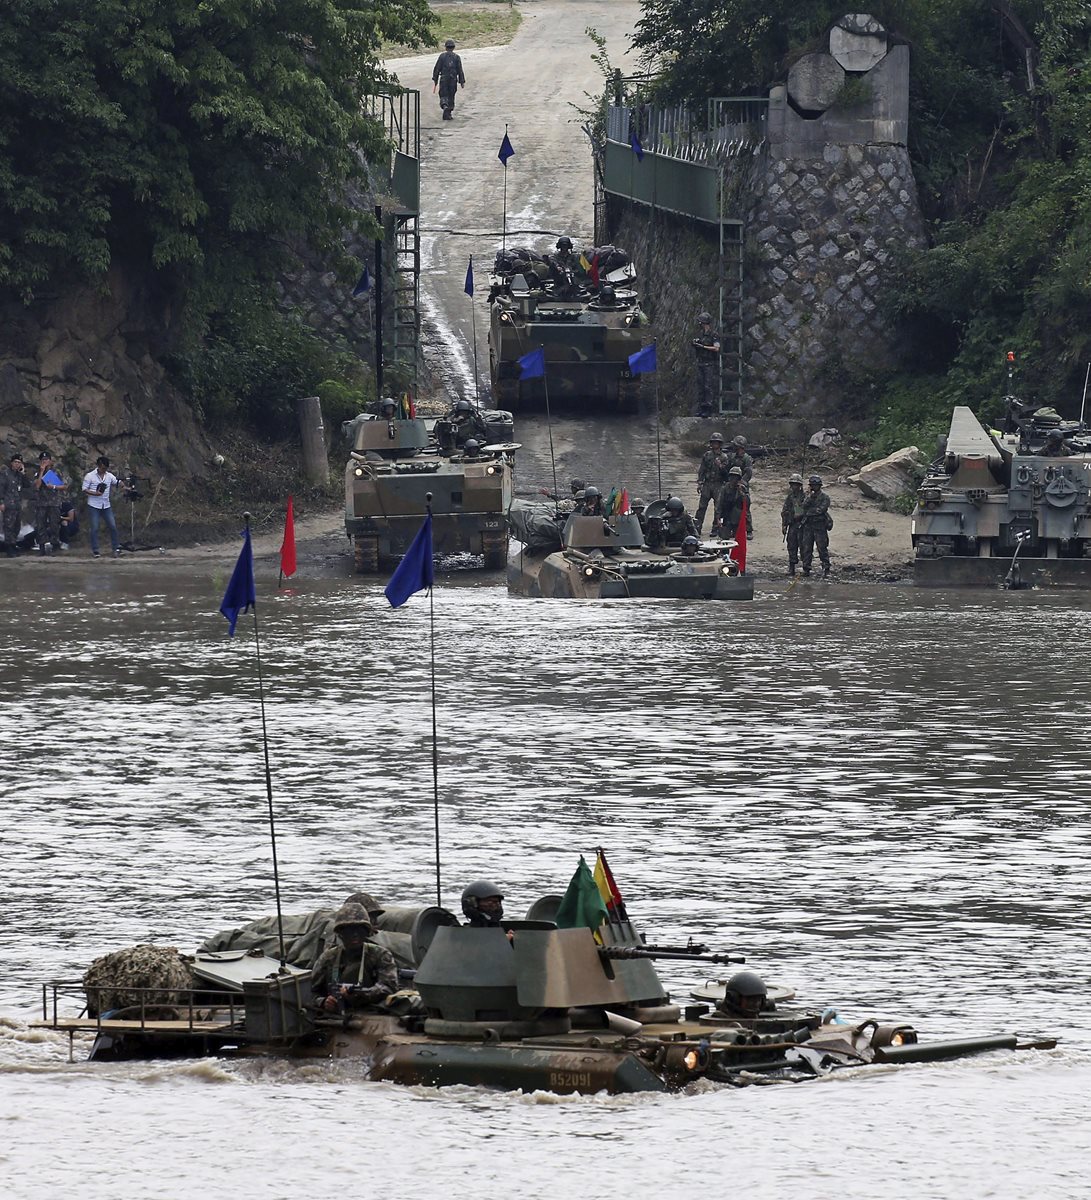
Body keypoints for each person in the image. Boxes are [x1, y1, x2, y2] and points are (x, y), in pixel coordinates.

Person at [309, 902, 398, 1012]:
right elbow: (310, 992)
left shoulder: (380, 955)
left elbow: (389, 987)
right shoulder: (329, 957)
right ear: (340, 933)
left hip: (373, 1013)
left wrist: (360, 994)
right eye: (349, 930)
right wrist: (323, 1002)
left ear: (366, 931)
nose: (355, 934)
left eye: (359, 929)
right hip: (336, 1017)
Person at [82, 456, 128, 558]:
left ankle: (115, 548)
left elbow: (118, 482)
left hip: (106, 505)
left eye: (106, 468)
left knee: (113, 526)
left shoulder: (109, 476)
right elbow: (84, 489)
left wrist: (123, 486)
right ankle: (95, 550)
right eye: (103, 468)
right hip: (94, 505)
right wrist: (95, 493)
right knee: (94, 528)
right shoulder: (90, 476)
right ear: (98, 466)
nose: (104, 470)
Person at [695, 433, 729, 534]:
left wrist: (721, 466)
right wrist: (700, 482)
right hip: (707, 484)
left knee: (718, 508)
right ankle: (697, 527)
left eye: (716, 442)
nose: (714, 444)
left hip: (718, 484)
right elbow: (702, 469)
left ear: (720, 444)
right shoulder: (707, 455)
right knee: (702, 507)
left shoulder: (724, 457)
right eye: (713, 442)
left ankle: (715, 528)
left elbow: (726, 474)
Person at [33, 450, 65, 554]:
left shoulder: (56, 472)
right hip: (41, 503)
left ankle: (54, 545)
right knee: (40, 525)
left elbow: (64, 486)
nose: (45, 462)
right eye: (43, 460)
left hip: (54, 502)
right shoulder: (37, 473)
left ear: (50, 461)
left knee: (54, 525)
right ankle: (42, 546)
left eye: (47, 460)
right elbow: (37, 486)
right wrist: (41, 472)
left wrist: (54, 486)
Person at [800, 474, 832, 578]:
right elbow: (802, 507)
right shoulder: (808, 497)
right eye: (812, 485)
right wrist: (809, 498)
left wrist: (809, 512)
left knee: (822, 548)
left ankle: (826, 568)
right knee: (807, 548)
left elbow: (820, 510)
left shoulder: (825, 497)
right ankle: (806, 568)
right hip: (808, 526)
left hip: (820, 526)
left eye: (816, 485)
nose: (814, 487)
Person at [693, 312, 721, 417]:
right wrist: (696, 344)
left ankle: (708, 409)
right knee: (701, 386)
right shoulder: (701, 334)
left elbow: (716, 348)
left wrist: (703, 347)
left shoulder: (714, 335)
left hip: (709, 364)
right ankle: (701, 408)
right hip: (700, 362)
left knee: (708, 386)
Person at [725, 436, 754, 538]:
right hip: (732, 484)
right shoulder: (732, 457)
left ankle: (749, 529)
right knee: (732, 506)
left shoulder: (746, 458)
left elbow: (749, 473)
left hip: (742, 485)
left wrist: (742, 482)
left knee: (745, 507)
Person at [780, 473, 807, 576]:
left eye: (796, 484)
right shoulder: (790, 497)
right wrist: (784, 525)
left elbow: (804, 510)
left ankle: (806, 567)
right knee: (791, 546)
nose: (794, 487)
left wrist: (799, 514)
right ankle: (791, 567)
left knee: (804, 546)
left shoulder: (805, 496)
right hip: (792, 525)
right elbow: (784, 511)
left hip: (802, 525)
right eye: (792, 484)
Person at [432, 39, 465, 119]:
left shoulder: (442, 56)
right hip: (453, 80)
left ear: (446, 48)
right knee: (451, 95)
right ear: (453, 47)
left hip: (444, 79)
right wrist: (462, 81)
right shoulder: (457, 57)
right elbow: (460, 70)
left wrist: (435, 79)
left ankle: (444, 106)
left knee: (443, 94)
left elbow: (437, 68)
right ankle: (449, 112)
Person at [1, 453, 27, 557]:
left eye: (19, 463)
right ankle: (9, 547)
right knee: (8, 526)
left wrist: (23, 473)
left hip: (17, 505)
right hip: (8, 504)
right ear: (11, 463)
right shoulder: (5, 474)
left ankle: (13, 545)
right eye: (15, 462)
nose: (17, 464)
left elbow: (28, 485)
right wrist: (1, 502)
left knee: (16, 526)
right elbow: (1, 488)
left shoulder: (19, 476)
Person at [712, 466, 748, 538]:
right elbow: (719, 503)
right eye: (732, 477)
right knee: (724, 538)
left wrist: (741, 492)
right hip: (726, 516)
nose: (733, 479)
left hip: (737, 518)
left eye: (736, 477)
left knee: (738, 539)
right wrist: (718, 518)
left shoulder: (742, 488)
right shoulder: (725, 488)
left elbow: (747, 503)